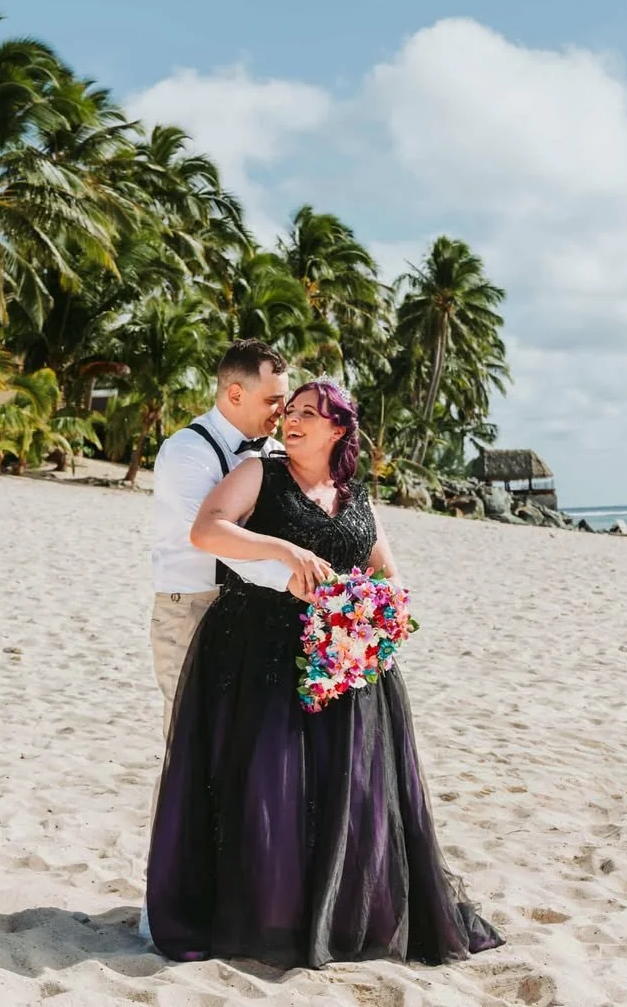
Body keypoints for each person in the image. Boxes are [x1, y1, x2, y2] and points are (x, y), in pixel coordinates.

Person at [145, 379, 505, 968]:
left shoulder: (357, 494)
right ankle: (268, 915)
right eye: (291, 410)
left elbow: (386, 574)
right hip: (256, 648)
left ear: (338, 429)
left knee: (344, 789)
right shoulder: (261, 473)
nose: (293, 420)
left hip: (343, 657)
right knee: (266, 785)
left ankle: (336, 913)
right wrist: (283, 552)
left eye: (309, 413)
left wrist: (370, 618)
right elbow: (206, 529)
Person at [139, 342, 332, 941]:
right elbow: (220, 541)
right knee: (190, 754)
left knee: (242, 758)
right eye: (275, 400)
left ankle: (234, 898)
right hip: (190, 610)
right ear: (234, 394)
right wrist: (297, 572)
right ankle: (166, 907)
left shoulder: (271, 452)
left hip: (251, 618)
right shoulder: (186, 452)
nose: (283, 413)